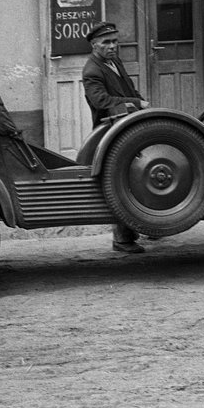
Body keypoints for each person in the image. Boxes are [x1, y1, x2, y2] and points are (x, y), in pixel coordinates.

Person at [82, 21, 150, 255]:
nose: (112, 46)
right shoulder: (92, 71)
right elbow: (101, 102)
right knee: (120, 182)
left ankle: (149, 223)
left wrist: (142, 105)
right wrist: (136, 104)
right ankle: (122, 239)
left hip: (126, 127)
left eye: (115, 41)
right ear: (94, 45)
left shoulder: (114, 61)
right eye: (106, 42)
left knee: (139, 175)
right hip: (110, 131)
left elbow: (129, 89)